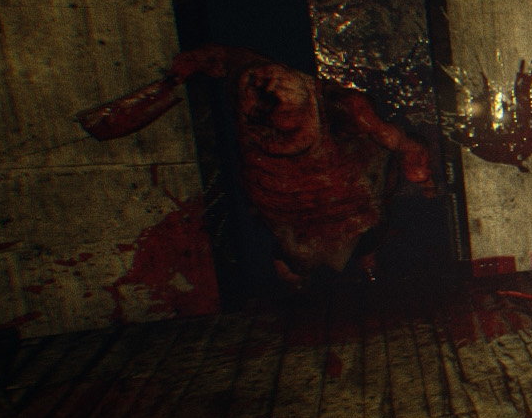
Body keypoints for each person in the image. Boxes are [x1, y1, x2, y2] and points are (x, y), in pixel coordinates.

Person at [78, 44, 435, 285]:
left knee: (355, 240)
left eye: (286, 121)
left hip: (340, 205)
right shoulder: (251, 82)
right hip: (291, 213)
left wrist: (410, 152)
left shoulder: (343, 108)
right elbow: (220, 62)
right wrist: (183, 74)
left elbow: (391, 140)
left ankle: (361, 262)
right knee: (298, 263)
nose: (276, 126)